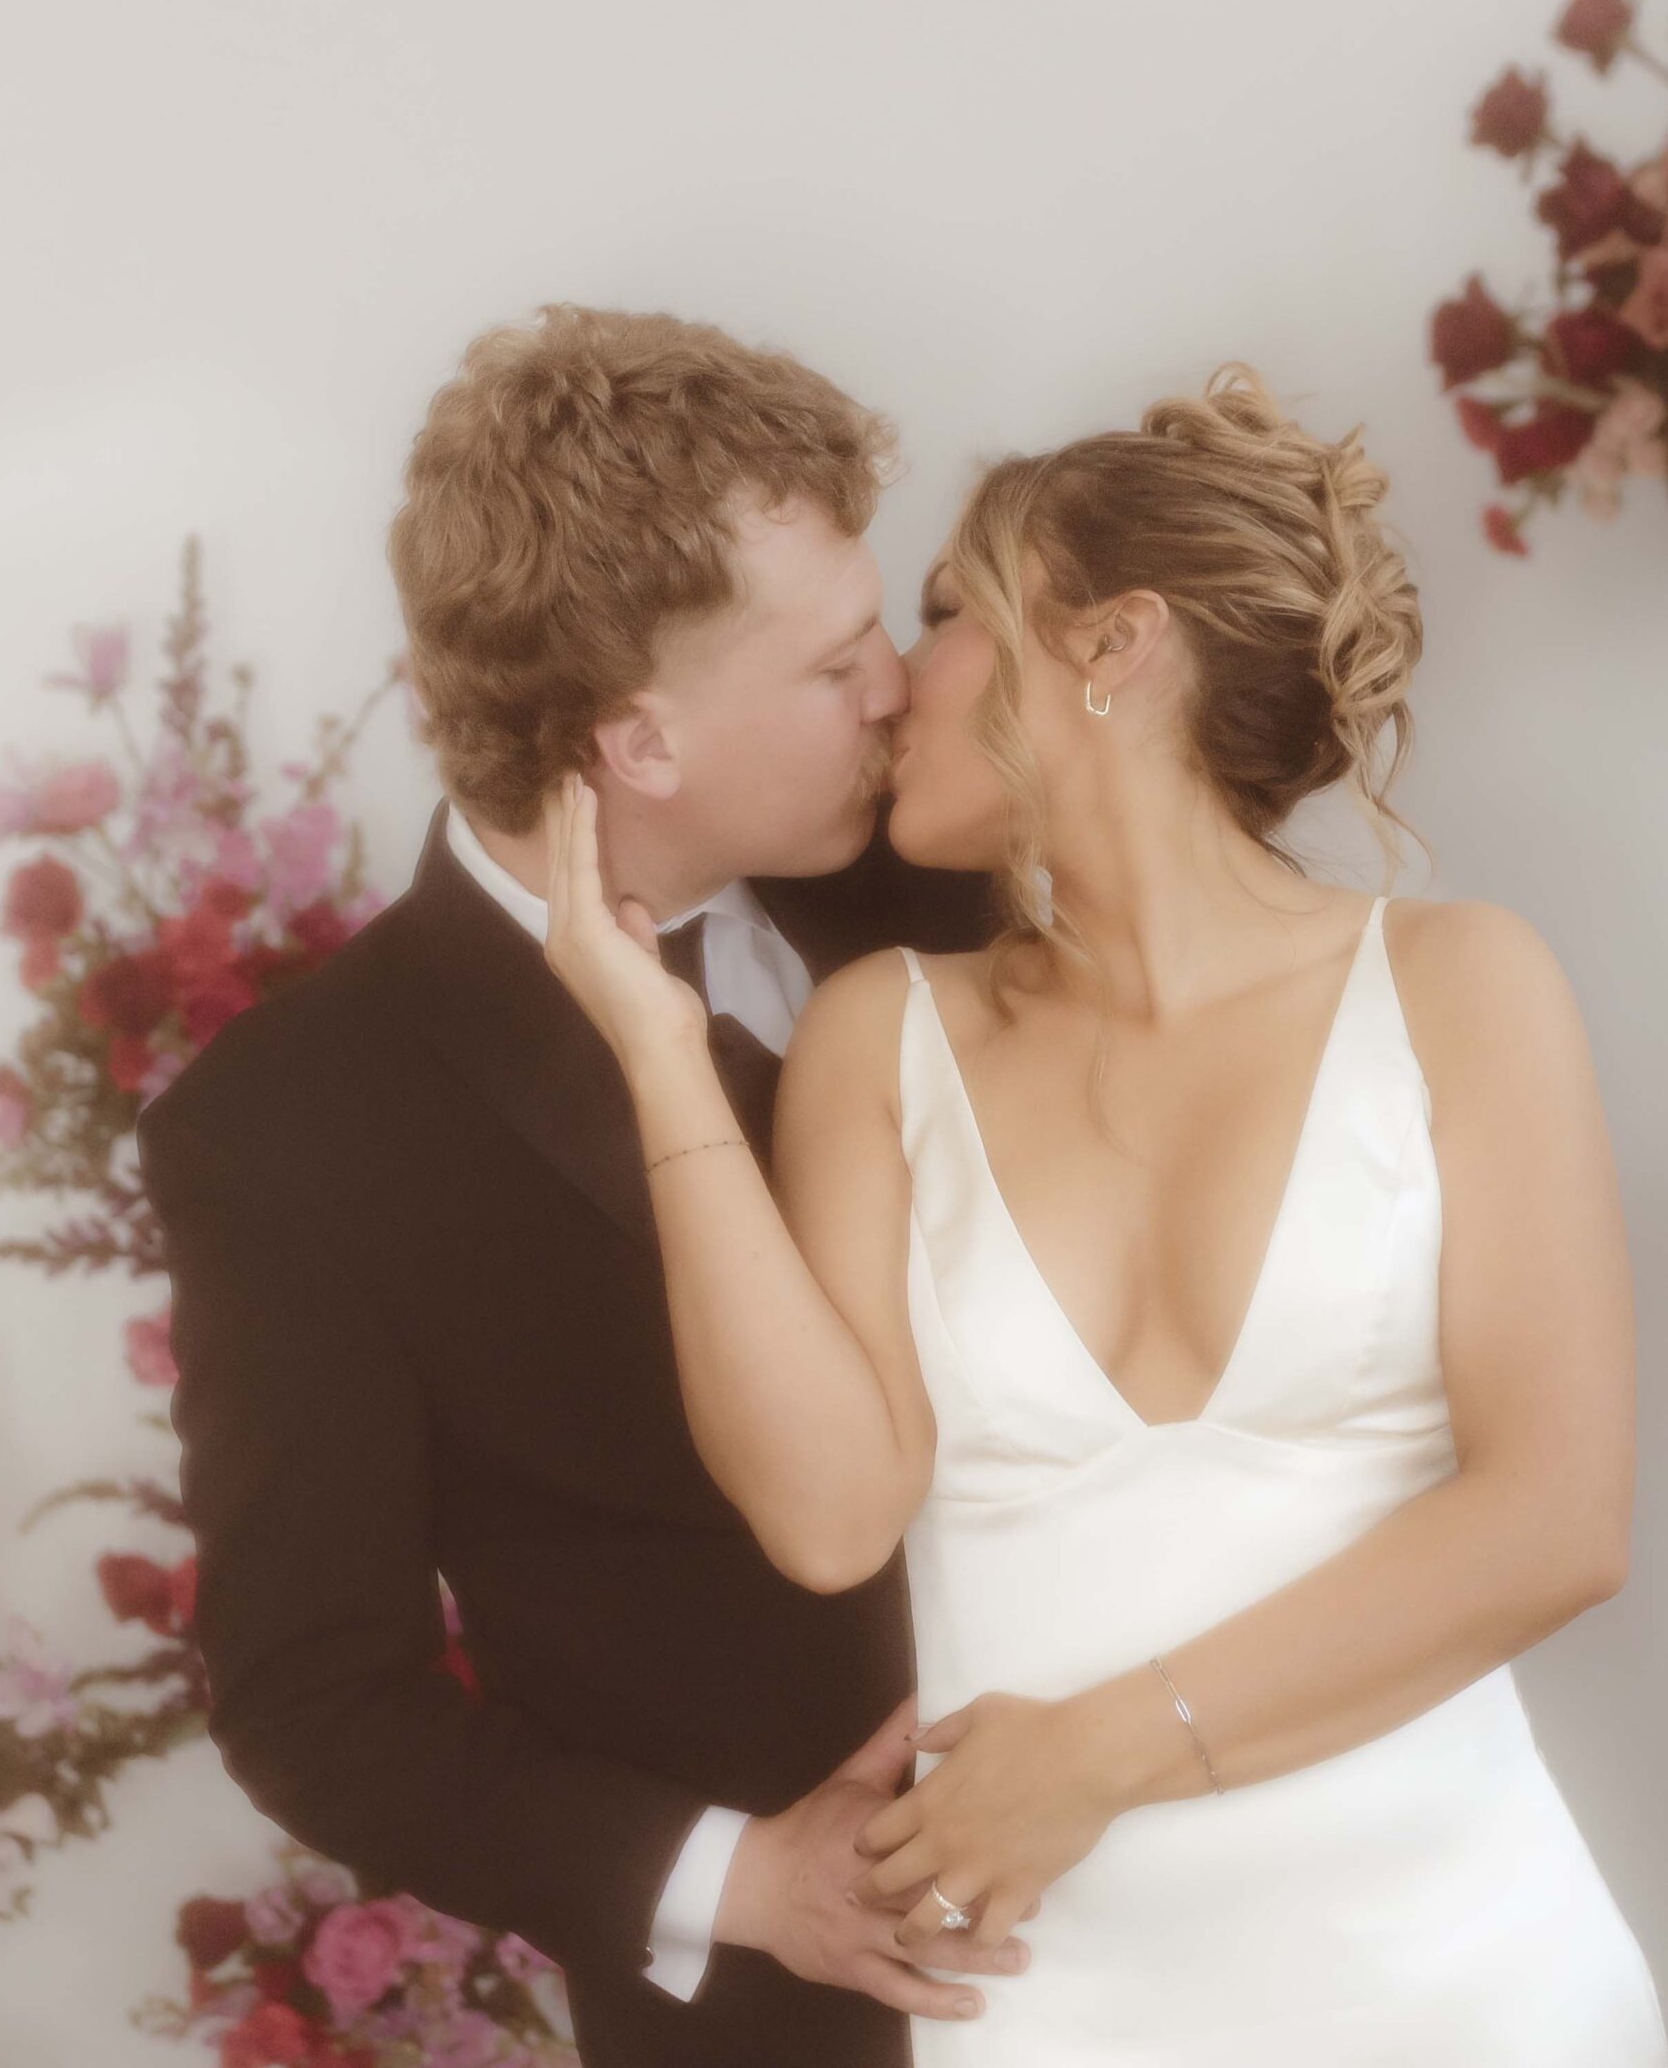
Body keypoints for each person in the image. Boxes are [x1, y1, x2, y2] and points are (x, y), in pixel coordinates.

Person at [541, 362, 1668, 2064]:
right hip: (1054, 2009)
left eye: (945, 613)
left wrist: (1098, 1756)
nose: (888, 684)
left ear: (1114, 644)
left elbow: (1556, 1521)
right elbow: (832, 1518)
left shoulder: (1458, 985)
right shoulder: (881, 1036)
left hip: (1471, 1987)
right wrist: (658, 1053)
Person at [135, 303, 1044, 2068]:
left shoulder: (971, 877)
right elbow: (317, 1697)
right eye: (838, 659)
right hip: (803, 2020)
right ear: (640, 743)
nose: (903, 685)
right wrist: (745, 1884)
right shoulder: (291, 1132)